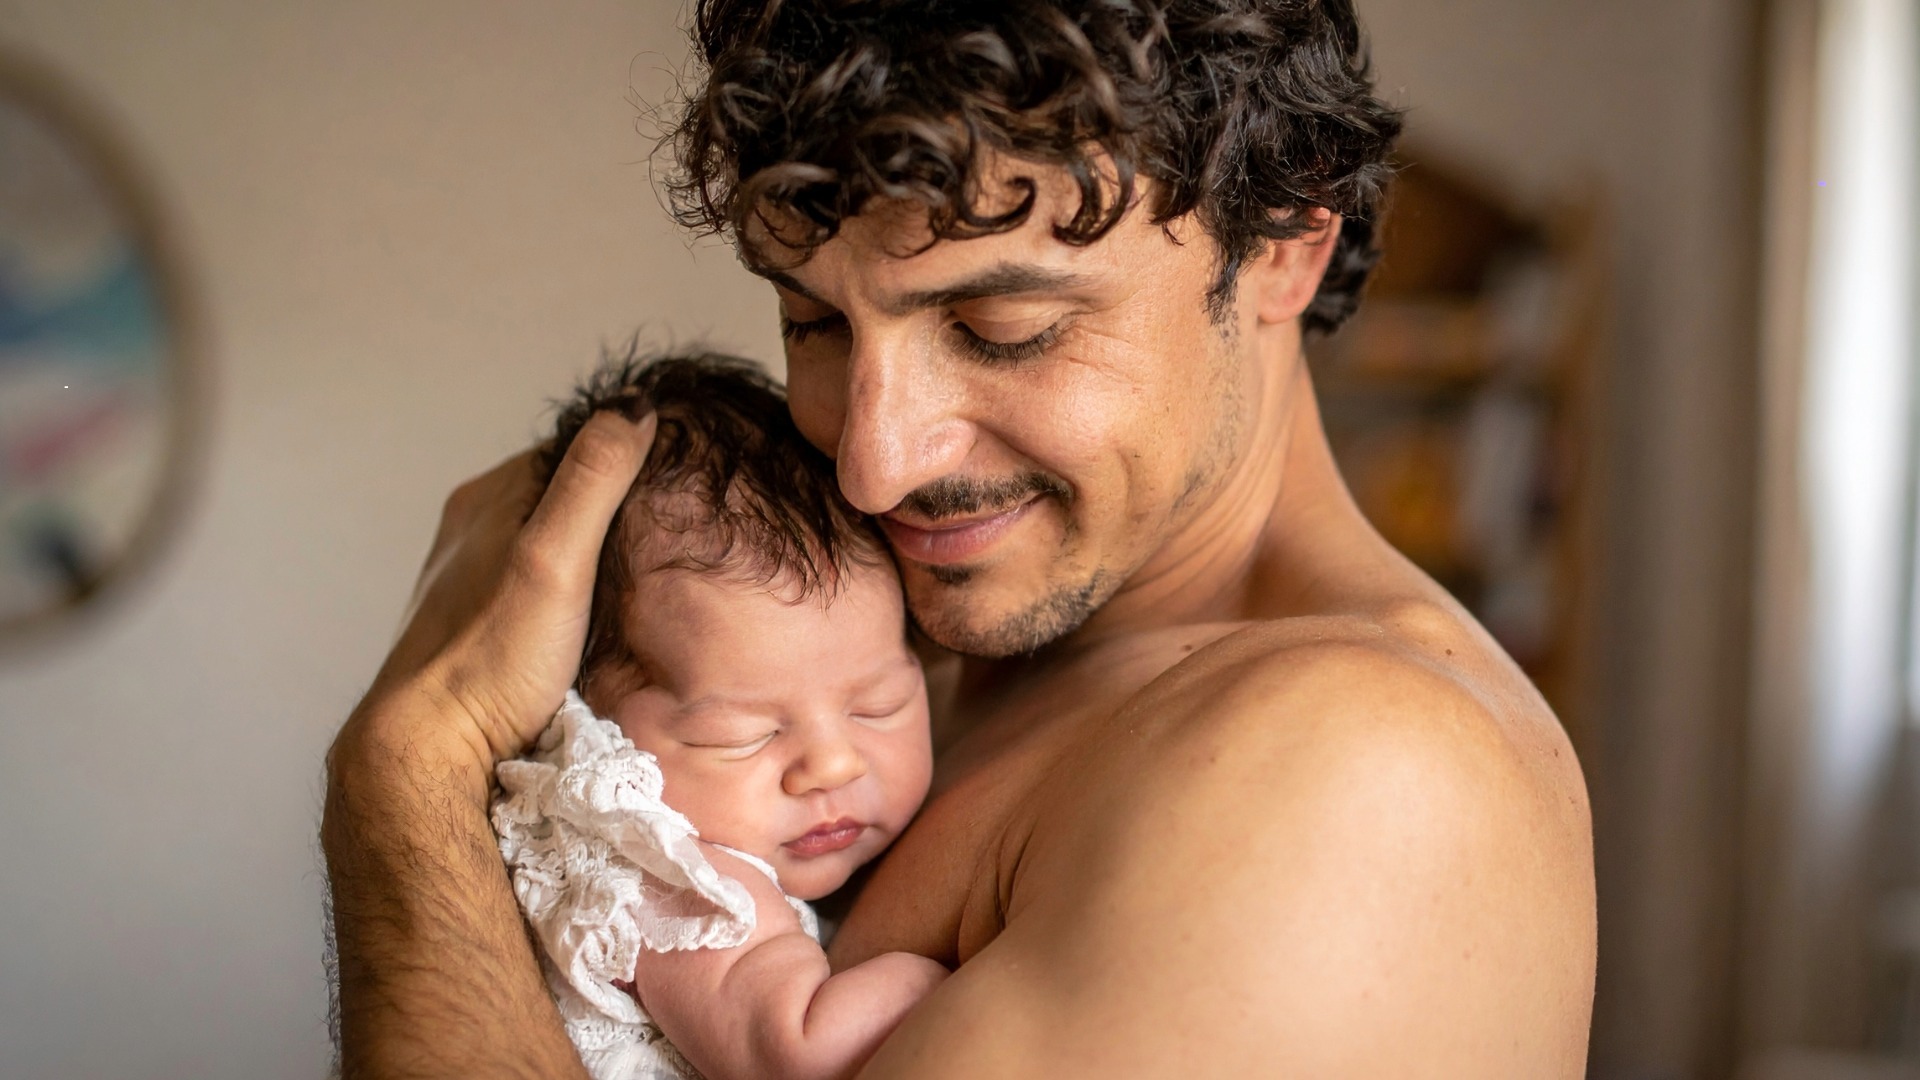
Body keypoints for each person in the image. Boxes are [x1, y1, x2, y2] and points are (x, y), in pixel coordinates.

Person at [321, 1, 1599, 1076]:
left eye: (1001, 328)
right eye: (814, 324)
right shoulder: (910, 640)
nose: (873, 462)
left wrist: (409, 774)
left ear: (1282, 246)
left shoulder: (1350, 776)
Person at [492, 353, 947, 1080]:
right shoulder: (666, 876)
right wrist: (957, 969)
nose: (833, 765)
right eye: (741, 736)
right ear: (598, 727)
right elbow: (802, 1051)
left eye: (879, 704)